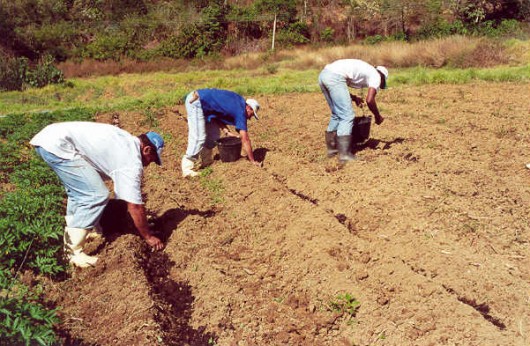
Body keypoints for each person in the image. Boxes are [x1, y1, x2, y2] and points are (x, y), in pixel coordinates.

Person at [30, 122, 165, 268]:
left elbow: (124, 199)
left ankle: (86, 230)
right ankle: (72, 252)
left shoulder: (127, 141)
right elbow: (135, 205)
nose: (149, 164)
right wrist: (148, 236)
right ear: (146, 149)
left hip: (51, 138)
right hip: (58, 145)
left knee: (80, 192)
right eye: (152, 159)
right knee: (95, 195)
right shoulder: (131, 160)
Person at [318, 59, 388, 163]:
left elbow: (338, 88)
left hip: (324, 75)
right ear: (382, 77)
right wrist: (378, 116)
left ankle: (332, 150)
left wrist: (355, 98)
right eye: (382, 83)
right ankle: (344, 154)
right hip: (334, 77)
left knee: (336, 114)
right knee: (347, 116)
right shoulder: (376, 75)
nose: (379, 85)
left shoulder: (366, 70)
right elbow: (370, 100)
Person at [181, 88, 262, 177]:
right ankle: (187, 168)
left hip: (206, 107)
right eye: (252, 114)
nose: (250, 118)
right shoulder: (241, 111)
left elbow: (217, 113)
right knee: (199, 137)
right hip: (197, 101)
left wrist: (226, 131)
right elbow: (245, 139)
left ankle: (206, 160)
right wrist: (252, 160)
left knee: (214, 135)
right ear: (248, 108)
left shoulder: (238, 103)